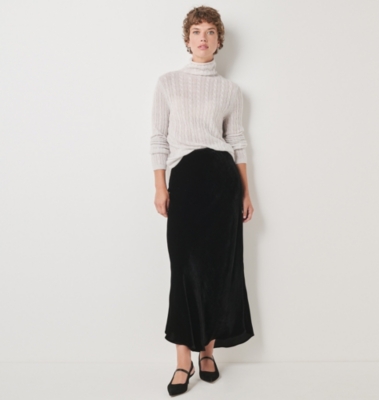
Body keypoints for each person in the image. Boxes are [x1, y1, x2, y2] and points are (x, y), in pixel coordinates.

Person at [150, 6, 255, 396]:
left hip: (223, 184)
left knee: (217, 271)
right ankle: (183, 360)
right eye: (197, 31)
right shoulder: (168, 83)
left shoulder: (230, 90)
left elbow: (238, 142)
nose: (203, 38)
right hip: (186, 181)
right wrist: (160, 187)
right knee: (184, 270)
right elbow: (158, 137)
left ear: (219, 40)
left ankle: (208, 352)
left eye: (211, 32)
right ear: (187, 38)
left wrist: (246, 192)